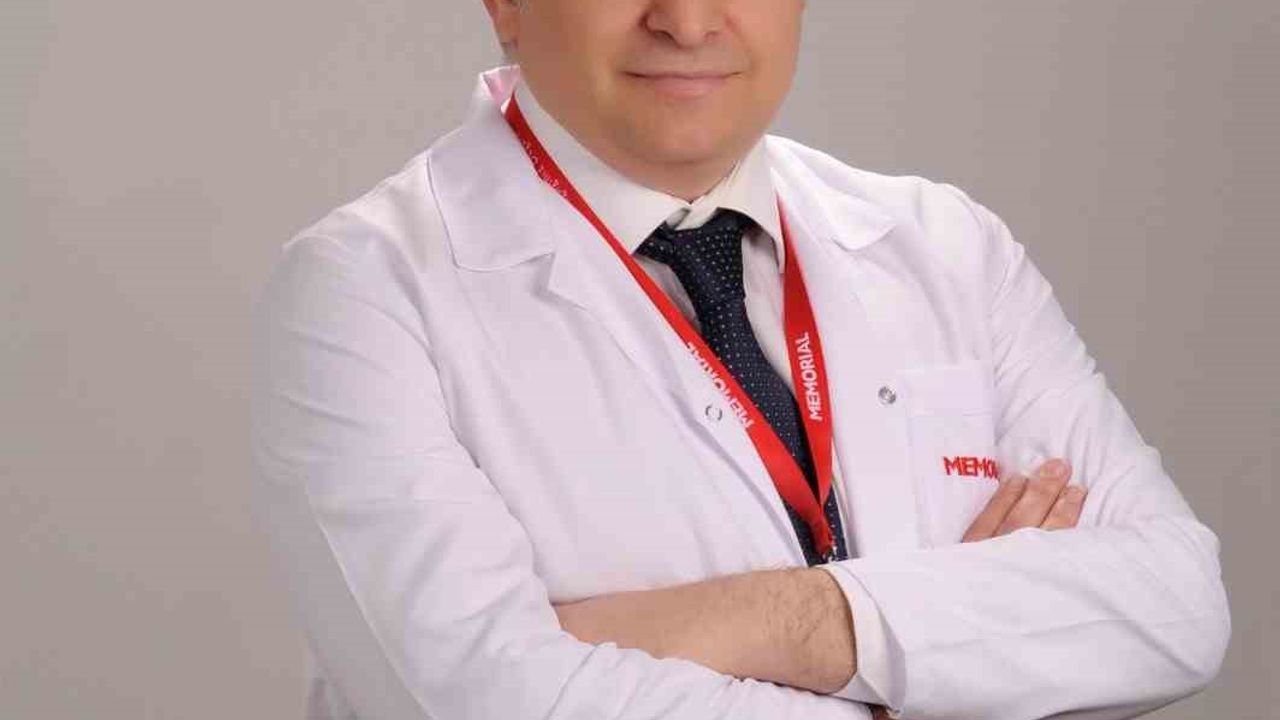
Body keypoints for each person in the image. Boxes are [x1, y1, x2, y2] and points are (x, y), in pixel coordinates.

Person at [249, 1, 1230, 719]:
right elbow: (481, 703)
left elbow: (1178, 607)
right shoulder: (364, 292)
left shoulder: (946, 249)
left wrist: (778, 621)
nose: (685, 21)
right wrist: (965, 660)